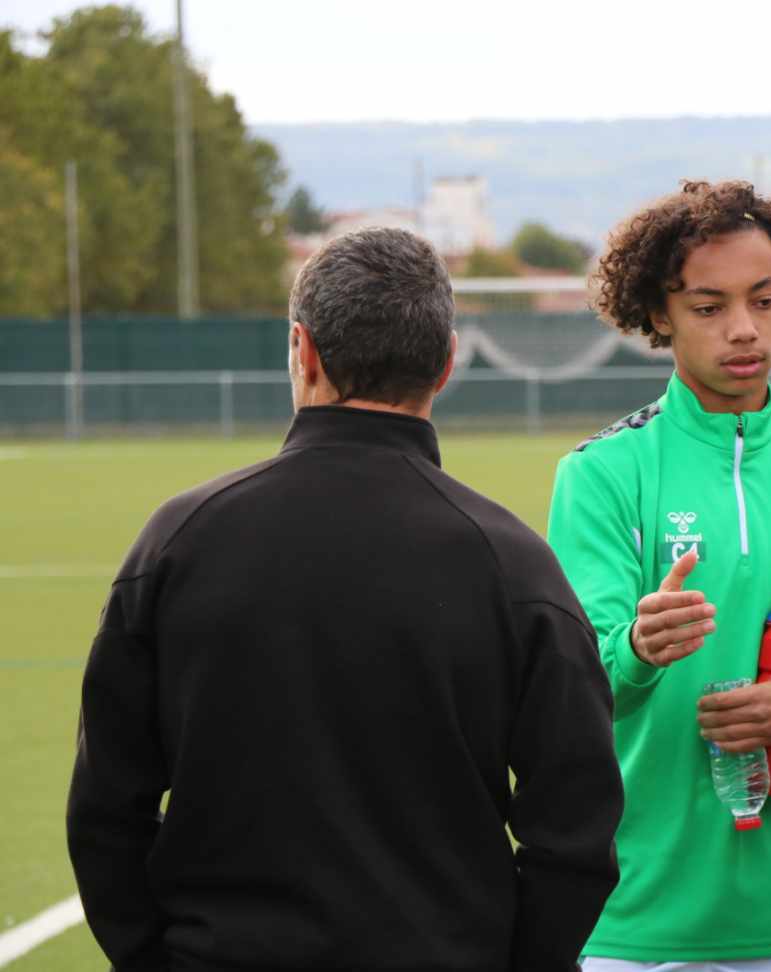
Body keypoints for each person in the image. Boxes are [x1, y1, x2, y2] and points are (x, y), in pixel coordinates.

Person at [66, 227, 623, 972]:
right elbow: (577, 830)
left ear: (302, 350)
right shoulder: (514, 566)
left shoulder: (179, 543)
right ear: (447, 362)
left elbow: (105, 810)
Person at [547, 180, 771, 971]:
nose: (744, 328)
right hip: (633, 923)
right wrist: (639, 647)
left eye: (764, 300)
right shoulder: (601, 475)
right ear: (660, 314)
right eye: (709, 307)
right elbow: (576, 689)